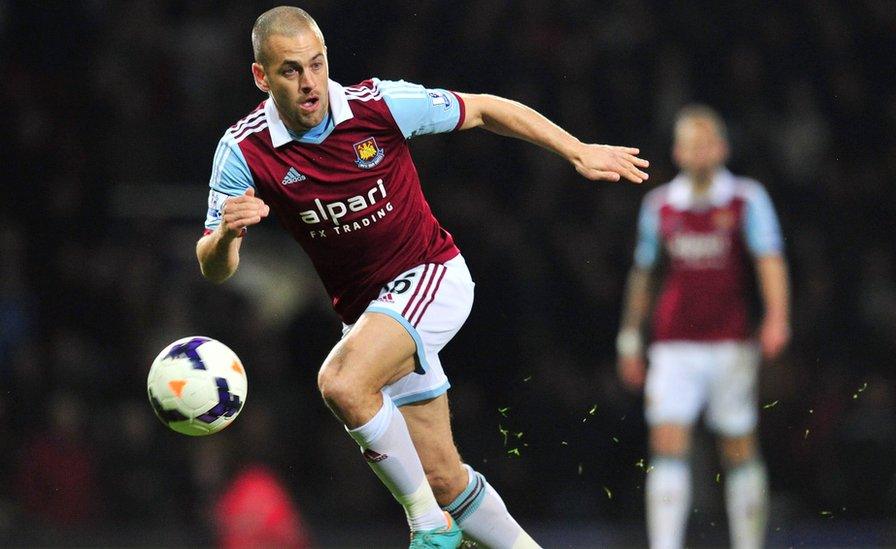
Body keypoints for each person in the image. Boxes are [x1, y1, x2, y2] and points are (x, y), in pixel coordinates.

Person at [196, 6, 649, 549]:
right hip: (372, 316)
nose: (310, 81)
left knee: (341, 382)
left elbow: (482, 109)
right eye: (291, 70)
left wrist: (576, 149)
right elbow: (214, 268)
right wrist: (225, 236)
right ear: (261, 76)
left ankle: (429, 527)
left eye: (317, 64)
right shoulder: (242, 149)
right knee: (444, 477)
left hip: (431, 275)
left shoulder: (377, 104)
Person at [616, 105, 790, 549]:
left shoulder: (746, 199)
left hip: (731, 343)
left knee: (737, 445)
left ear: (723, 148)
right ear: (678, 152)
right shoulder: (659, 206)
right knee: (668, 443)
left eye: (707, 142)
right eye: (691, 144)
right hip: (674, 345)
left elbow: (768, 260)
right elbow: (644, 274)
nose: (699, 151)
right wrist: (631, 337)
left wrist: (776, 318)